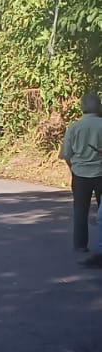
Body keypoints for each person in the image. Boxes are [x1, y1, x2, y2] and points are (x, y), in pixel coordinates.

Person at [59, 92, 102, 261]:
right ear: (98, 107)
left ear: (82, 107)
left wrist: (74, 168)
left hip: (80, 174)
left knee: (80, 209)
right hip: (101, 173)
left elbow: (66, 154)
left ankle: (80, 244)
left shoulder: (75, 127)